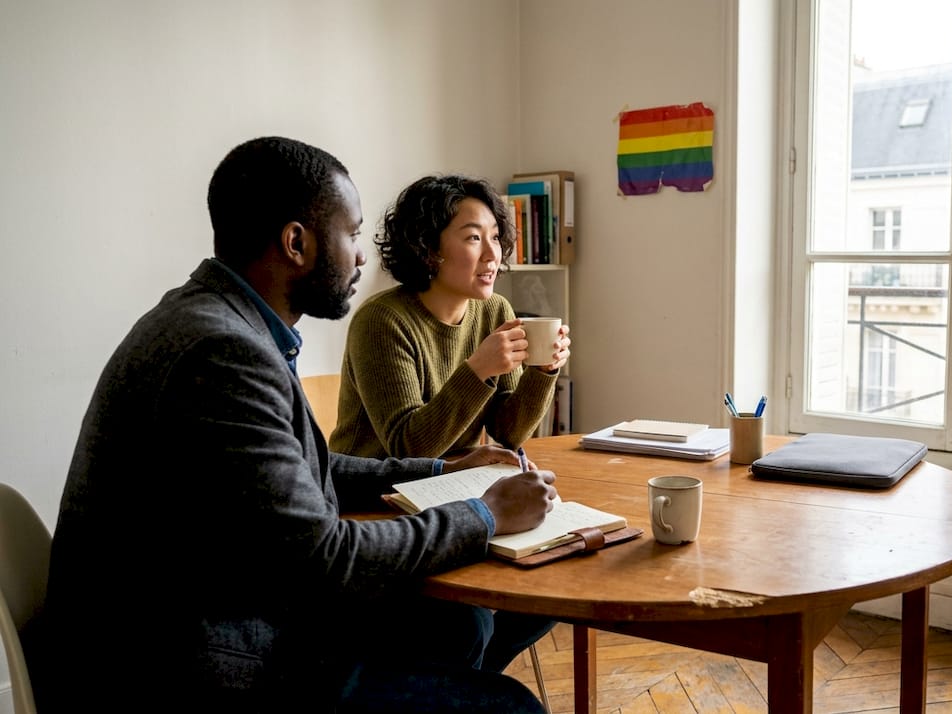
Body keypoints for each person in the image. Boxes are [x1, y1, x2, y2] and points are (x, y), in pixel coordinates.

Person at [36, 136, 555, 713]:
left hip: (207, 621)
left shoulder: (218, 321)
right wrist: (485, 513)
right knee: (509, 705)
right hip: (178, 668)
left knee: (456, 629)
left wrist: (442, 468)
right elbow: (324, 560)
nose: (362, 257)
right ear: (296, 243)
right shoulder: (222, 350)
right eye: (352, 234)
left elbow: (306, 467)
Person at [328, 174, 571, 460]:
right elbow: (408, 449)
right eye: (474, 238)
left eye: (494, 236)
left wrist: (542, 372)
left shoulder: (494, 310)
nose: (492, 253)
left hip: (453, 480)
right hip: (372, 492)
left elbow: (509, 433)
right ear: (429, 249)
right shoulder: (381, 320)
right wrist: (478, 369)